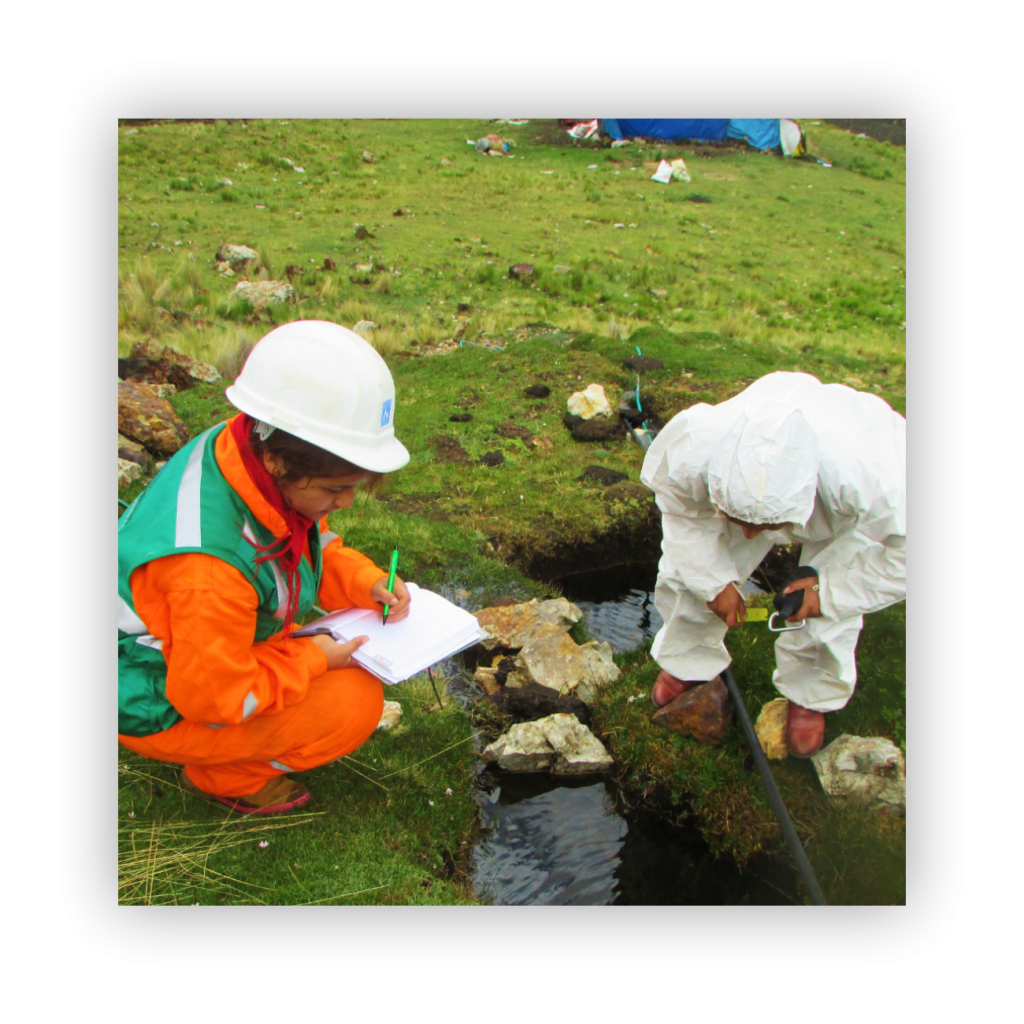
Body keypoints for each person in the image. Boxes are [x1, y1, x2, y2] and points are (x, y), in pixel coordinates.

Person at [117, 320, 413, 814]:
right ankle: (228, 776)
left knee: (332, 673)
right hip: (152, 695)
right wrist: (315, 659)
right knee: (354, 706)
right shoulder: (207, 571)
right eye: (335, 488)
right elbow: (217, 699)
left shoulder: (241, 447)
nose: (345, 502)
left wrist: (365, 583)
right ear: (279, 461)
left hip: (186, 654)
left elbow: (300, 540)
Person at [639, 371, 905, 757]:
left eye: (763, 527)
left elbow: (904, 560)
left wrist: (828, 592)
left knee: (832, 599)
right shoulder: (699, 449)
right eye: (742, 523)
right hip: (768, 430)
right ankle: (687, 657)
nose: (751, 536)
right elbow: (685, 515)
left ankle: (810, 694)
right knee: (691, 574)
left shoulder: (878, 484)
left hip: (849, 492)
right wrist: (714, 583)